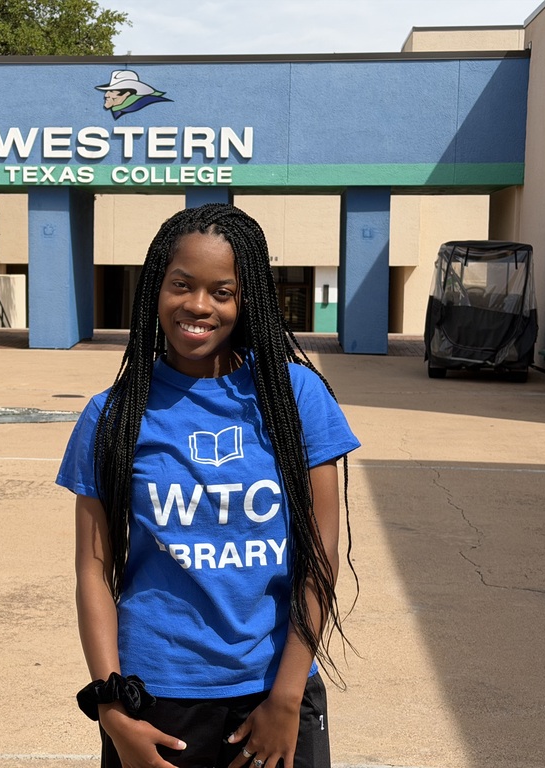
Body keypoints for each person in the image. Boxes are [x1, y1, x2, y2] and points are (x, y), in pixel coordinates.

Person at [57, 203, 360, 768]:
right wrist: (113, 709)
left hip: (272, 687)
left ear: (247, 302)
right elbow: (92, 570)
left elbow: (319, 557)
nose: (199, 306)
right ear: (155, 289)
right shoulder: (113, 416)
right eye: (181, 285)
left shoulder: (297, 398)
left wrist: (287, 698)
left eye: (222, 291)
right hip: (158, 696)